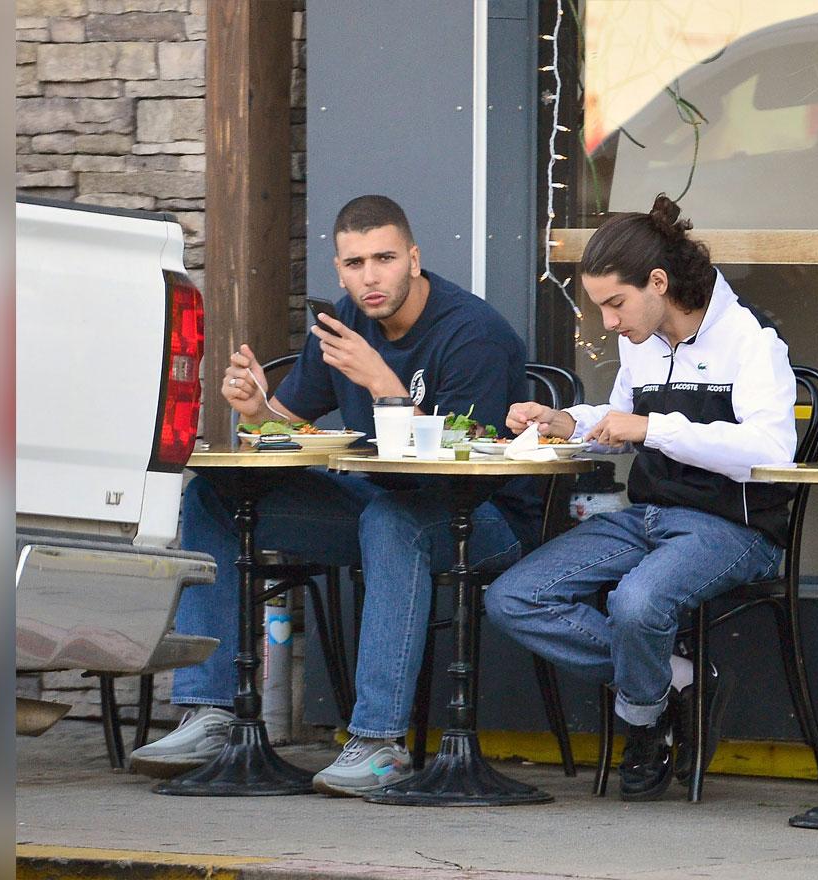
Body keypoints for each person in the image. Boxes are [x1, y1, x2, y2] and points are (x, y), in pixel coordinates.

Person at [130, 195, 540, 795]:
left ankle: (379, 743)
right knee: (211, 499)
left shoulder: (473, 333)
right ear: (339, 267)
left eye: (384, 259)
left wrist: (382, 382)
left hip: (482, 519)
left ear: (415, 259)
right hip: (378, 505)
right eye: (353, 264)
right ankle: (213, 711)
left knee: (394, 519)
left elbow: (462, 467)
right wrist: (257, 410)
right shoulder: (346, 321)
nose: (369, 279)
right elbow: (286, 430)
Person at [484, 193, 796, 801]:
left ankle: (642, 722)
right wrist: (568, 421)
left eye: (615, 303)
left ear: (658, 282)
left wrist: (653, 429)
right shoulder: (641, 339)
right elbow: (620, 419)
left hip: (735, 528)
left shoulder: (752, 339)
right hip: (647, 516)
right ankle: (676, 679)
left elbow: (770, 451)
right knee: (513, 598)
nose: (608, 322)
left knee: (637, 603)